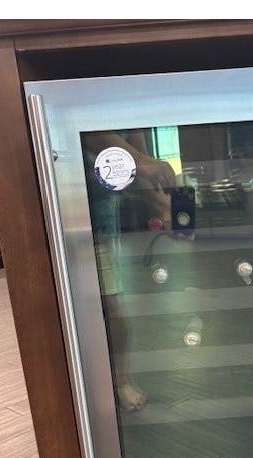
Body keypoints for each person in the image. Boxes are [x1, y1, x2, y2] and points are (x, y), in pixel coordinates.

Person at [82, 130, 177, 411]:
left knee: (110, 307)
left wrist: (166, 209)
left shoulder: (130, 122)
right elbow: (90, 134)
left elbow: (141, 174)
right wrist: (139, 160)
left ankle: (119, 379)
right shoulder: (90, 111)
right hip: (57, 216)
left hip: (100, 228)